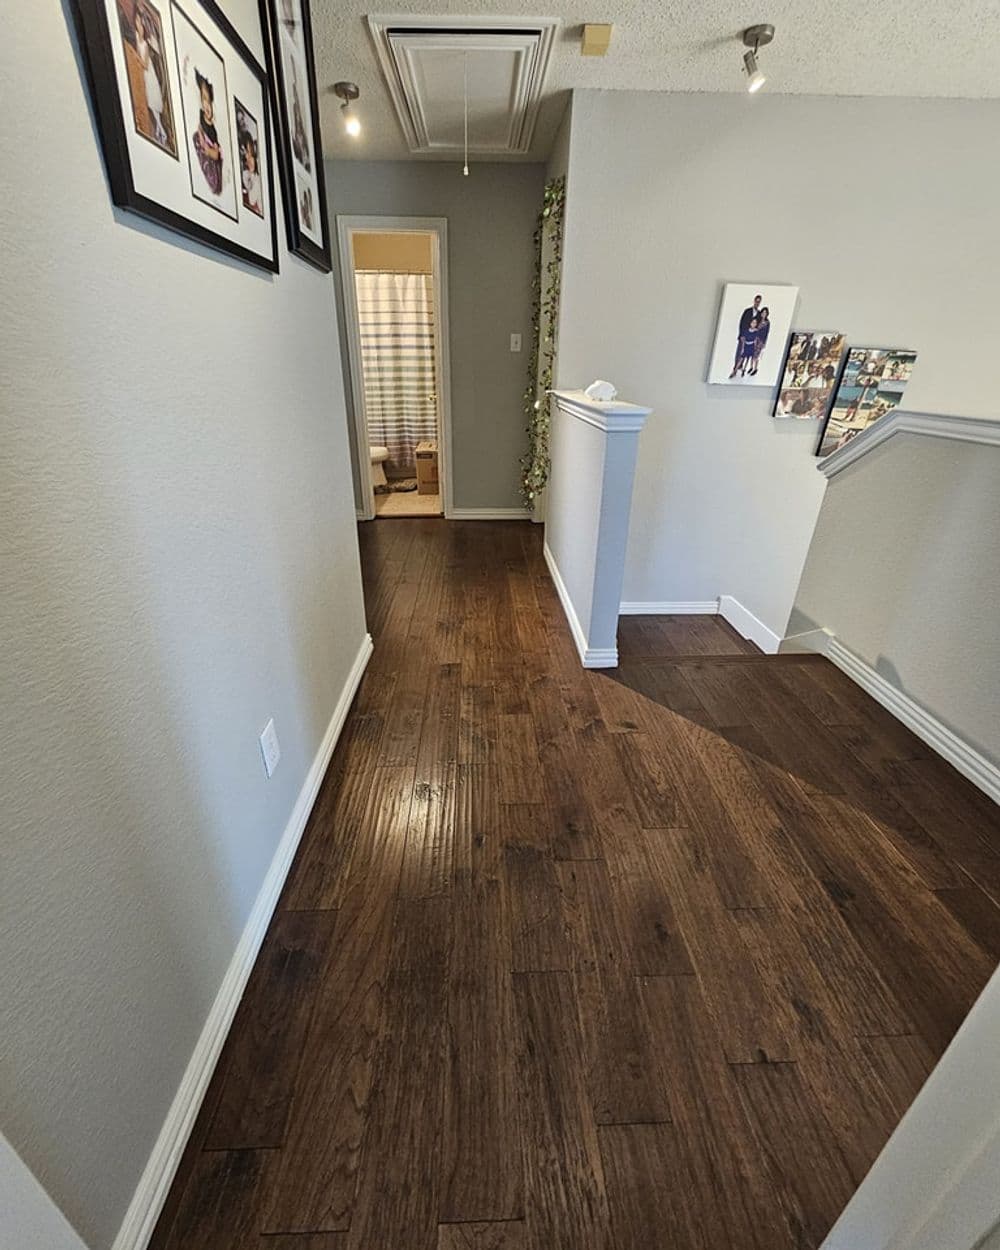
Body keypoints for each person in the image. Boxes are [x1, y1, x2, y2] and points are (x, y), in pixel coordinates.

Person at [135, 7, 168, 147]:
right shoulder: (137, 39)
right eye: (137, 22)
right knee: (151, 107)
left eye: (141, 24)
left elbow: (146, 65)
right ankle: (160, 133)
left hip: (150, 77)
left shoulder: (146, 45)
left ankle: (162, 133)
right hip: (145, 77)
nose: (139, 26)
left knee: (153, 106)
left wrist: (137, 58)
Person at [193, 70, 223, 196]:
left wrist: (207, 149)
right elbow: (199, 130)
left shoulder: (213, 130)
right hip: (203, 149)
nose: (206, 105)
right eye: (203, 99)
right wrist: (200, 136)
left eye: (208, 100)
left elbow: (216, 155)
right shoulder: (200, 117)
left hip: (210, 157)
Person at [729, 294, 762, 378]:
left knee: (748, 355)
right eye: (756, 301)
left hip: (751, 337)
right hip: (744, 335)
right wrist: (741, 335)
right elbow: (742, 323)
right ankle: (735, 368)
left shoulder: (759, 314)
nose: (757, 303)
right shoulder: (747, 311)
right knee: (740, 352)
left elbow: (758, 326)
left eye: (759, 302)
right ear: (754, 301)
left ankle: (742, 368)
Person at [240, 131, 262, 215]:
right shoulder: (245, 173)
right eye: (244, 151)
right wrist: (251, 173)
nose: (247, 155)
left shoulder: (259, 162)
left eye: (248, 150)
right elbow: (252, 200)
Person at [749, 306, 770, 375]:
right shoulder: (758, 320)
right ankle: (751, 367)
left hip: (761, 340)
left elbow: (766, 333)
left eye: (765, 313)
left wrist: (764, 343)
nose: (764, 314)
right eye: (763, 312)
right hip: (754, 338)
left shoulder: (767, 322)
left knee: (756, 355)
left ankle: (755, 368)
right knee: (752, 353)